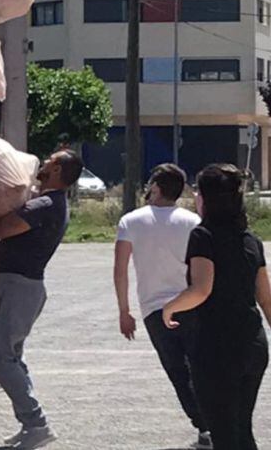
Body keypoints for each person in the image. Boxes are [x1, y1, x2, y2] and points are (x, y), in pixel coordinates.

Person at [0, 149, 83, 450]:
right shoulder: (50, 203)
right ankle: (31, 425)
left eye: (49, 161)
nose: (43, 163)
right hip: (23, 287)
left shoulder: (43, 206)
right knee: (12, 357)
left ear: (56, 171)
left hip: (18, 288)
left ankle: (36, 423)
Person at [163, 163, 271, 449]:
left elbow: (201, 289)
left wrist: (170, 307)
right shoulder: (251, 240)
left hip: (218, 346)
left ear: (206, 198)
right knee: (241, 429)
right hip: (253, 345)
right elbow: (265, 298)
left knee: (223, 432)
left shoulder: (203, 236)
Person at [112, 164, 210, 449]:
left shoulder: (131, 221)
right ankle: (214, 422)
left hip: (154, 309)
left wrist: (123, 310)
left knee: (178, 372)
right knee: (201, 367)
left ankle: (204, 427)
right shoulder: (193, 221)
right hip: (192, 301)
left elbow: (120, 270)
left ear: (155, 187)